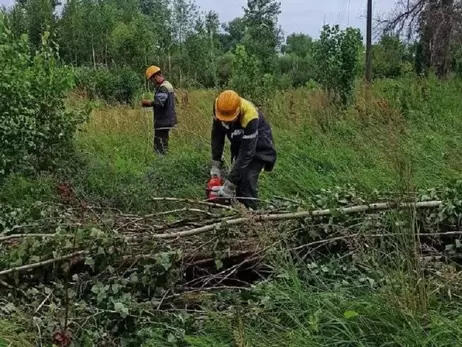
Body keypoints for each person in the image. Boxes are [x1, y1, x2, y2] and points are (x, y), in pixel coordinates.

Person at [210, 90, 277, 210]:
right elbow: (217, 136)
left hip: (258, 146)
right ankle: (240, 213)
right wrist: (216, 164)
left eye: (229, 119)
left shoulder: (250, 115)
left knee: (247, 178)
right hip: (239, 143)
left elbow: (247, 153)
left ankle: (253, 217)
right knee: (238, 179)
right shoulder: (218, 106)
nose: (225, 122)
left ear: (237, 111)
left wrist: (228, 187)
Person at [141, 65, 177, 155]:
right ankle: (164, 164)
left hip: (163, 121)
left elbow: (159, 102)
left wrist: (147, 102)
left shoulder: (163, 87)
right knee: (163, 144)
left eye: (152, 80)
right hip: (168, 120)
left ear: (156, 76)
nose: (153, 82)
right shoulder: (168, 84)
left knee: (159, 147)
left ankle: (161, 165)